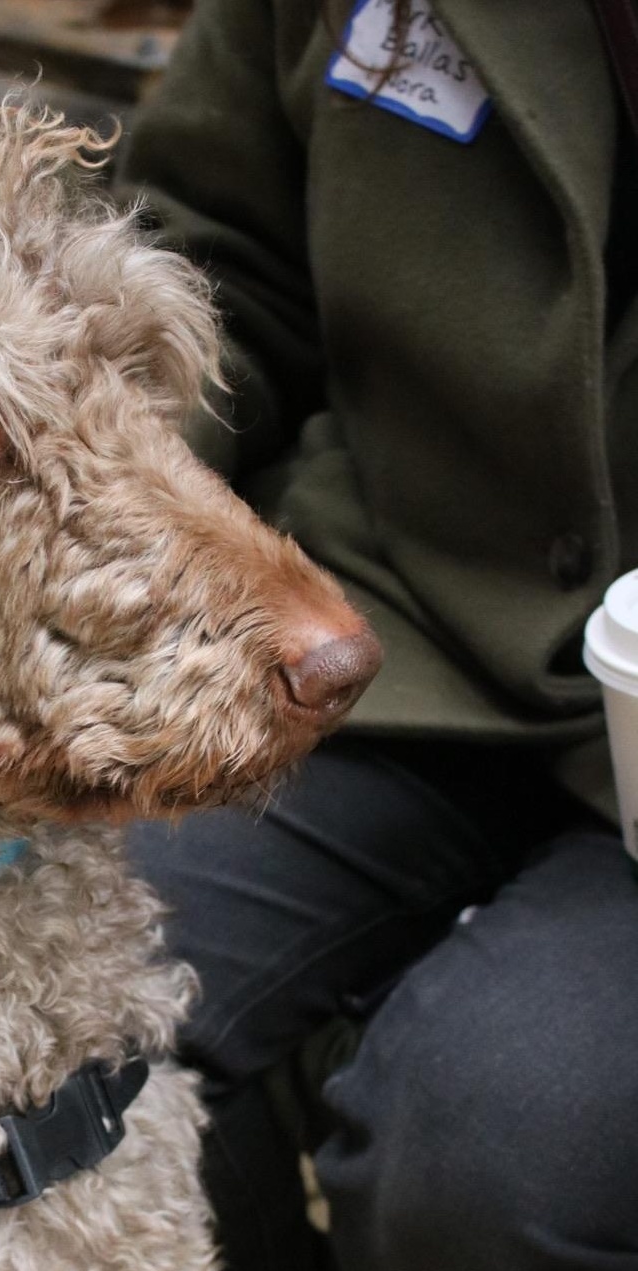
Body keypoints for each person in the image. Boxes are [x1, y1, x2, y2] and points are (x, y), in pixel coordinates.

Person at [115, 1, 638, 1268]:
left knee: (474, 1151)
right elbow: (207, 259)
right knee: (63, 1010)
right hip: (387, 620)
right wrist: (113, 556)